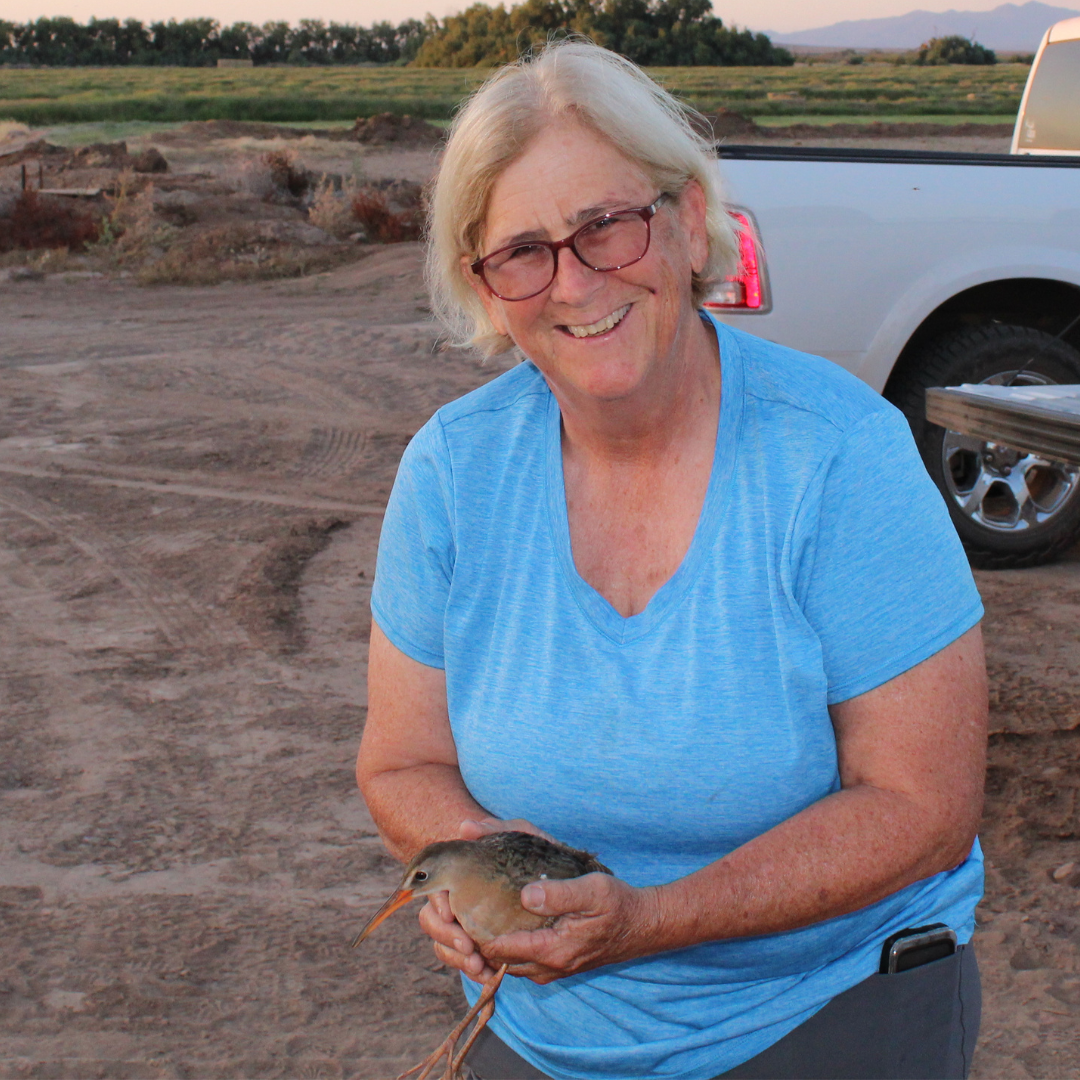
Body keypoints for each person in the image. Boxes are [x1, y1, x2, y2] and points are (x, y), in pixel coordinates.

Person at [357, 40, 988, 1080]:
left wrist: (649, 920)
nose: (574, 282)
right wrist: (473, 879)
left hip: (818, 1009)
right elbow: (400, 764)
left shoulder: (837, 455)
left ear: (691, 220)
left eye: (605, 225)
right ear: (484, 286)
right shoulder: (453, 473)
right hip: (538, 1032)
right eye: (522, 251)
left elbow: (922, 805)